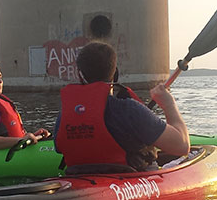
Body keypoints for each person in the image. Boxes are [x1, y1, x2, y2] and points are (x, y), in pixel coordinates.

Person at [54, 42, 190, 173]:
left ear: (79, 75)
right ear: (115, 74)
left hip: (80, 178)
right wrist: (168, 104)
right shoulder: (130, 110)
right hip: (129, 180)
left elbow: (59, 148)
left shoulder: (65, 114)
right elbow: (182, 146)